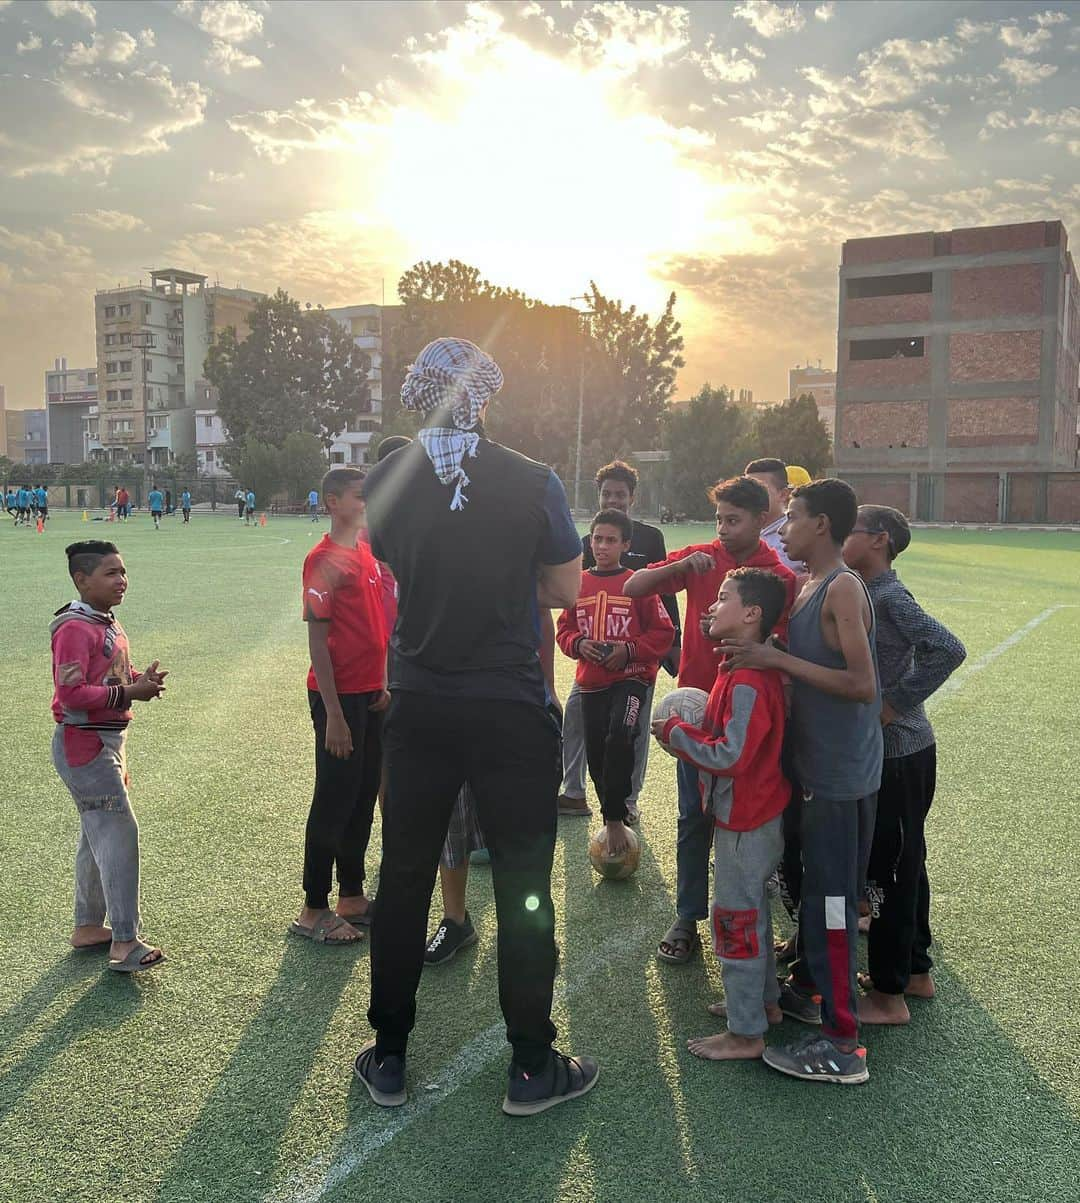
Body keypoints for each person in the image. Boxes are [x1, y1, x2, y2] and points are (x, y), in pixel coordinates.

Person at [358, 336, 597, 1117]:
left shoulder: (387, 477)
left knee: (403, 880)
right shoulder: (532, 479)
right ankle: (532, 1064)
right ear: (483, 396)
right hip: (506, 705)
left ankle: (388, 1054)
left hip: (419, 700)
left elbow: (395, 562)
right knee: (526, 884)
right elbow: (563, 587)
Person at [721, 478, 881, 1085]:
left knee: (835, 903)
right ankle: (810, 991)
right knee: (816, 894)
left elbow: (863, 685)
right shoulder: (810, 585)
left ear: (821, 525)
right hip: (816, 770)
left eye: (791, 517)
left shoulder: (841, 587)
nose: (781, 529)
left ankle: (843, 1044)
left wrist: (777, 660)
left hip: (841, 777)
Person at [625, 476, 796, 965]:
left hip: (746, 716)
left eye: (733, 520)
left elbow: (781, 648)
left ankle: (753, 914)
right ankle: (686, 917)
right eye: (719, 518)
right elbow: (635, 585)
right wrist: (680, 566)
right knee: (692, 817)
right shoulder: (701, 557)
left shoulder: (776, 577)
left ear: (762, 521)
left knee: (747, 820)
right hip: (698, 711)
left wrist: (738, 636)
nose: (722, 529)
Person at [652, 567, 790, 1062]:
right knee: (750, 913)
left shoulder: (750, 677)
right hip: (745, 814)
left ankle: (746, 1032)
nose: (711, 607)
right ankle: (763, 1005)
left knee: (735, 918)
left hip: (746, 820)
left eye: (723, 598)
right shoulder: (735, 666)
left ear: (751, 614)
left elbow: (731, 755)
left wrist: (675, 734)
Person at [842, 505, 966, 1023]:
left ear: (879, 540)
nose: (843, 537)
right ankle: (916, 972)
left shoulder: (889, 595)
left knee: (891, 870)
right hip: (897, 753)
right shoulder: (863, 592)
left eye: (851, 530)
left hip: (901, 752)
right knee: (906, 860)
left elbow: (947, 648)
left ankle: (889, 993)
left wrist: (893, 705)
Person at [50, 540, 168, 972]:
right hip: (85, 744)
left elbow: (109, 675)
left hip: (106, 742)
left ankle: (87, 927)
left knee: (96, 833)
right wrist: (129, 692)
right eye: (110, 573)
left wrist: (140, 680)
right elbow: (72, 695)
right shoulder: (74, 628)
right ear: (82, 580)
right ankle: (124, 941)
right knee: (119, 834)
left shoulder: (104, 621)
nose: (121, 580)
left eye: (123, 571)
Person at [291, 467, 390, 945]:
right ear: (333, 502)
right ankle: (313, 908)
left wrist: (384, 681)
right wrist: (332, 714)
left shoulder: (365, 553)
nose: (366, 501)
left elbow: (375, 627)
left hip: (372, 694)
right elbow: (318, 643)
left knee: (363, 795)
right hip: (338, 699)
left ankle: (351, 894)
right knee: (333, 799)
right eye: (358, 495)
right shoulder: (323, 560)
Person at [558, 460, 680, 822]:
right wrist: (580, 643)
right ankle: (575, 791)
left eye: (620, 494)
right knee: (578, 721)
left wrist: (669, 645)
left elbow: (666, 592)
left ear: (632, 498)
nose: (613, 499)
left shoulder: (650, 538)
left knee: (631, 729)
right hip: (592, 669)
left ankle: (628, 801)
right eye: (607, 493)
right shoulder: (586, 548)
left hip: (638, 661)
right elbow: (570, 615)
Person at [744, 458, 802, 576]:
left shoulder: (799, 538)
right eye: (745, 490)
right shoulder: (737, 533)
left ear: (783, 494)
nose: (748, 497)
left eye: (759, 491)